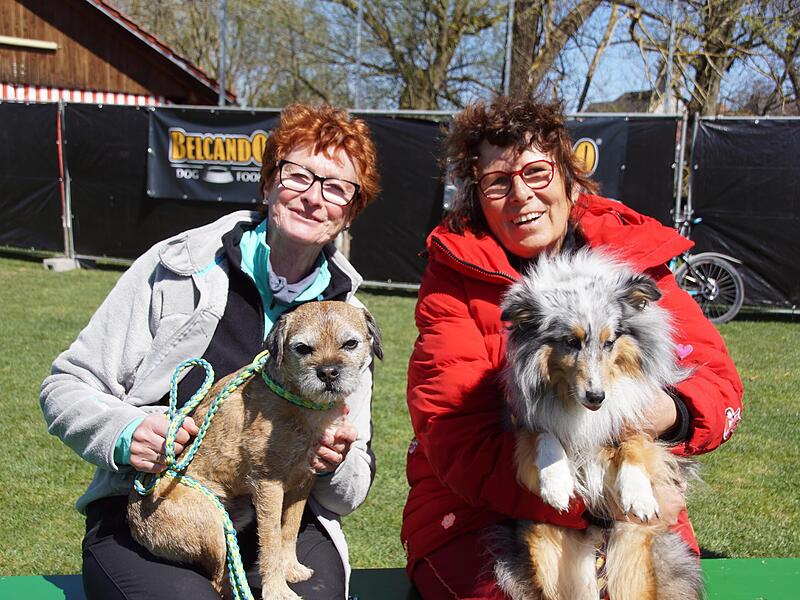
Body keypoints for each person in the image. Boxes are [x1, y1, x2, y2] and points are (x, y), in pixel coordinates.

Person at [402, 96, 743, 598]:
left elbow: (719, 384)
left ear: (568, 176)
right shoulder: (453, 279)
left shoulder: (634, 256)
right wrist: (595, 505)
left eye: (537, 173)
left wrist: (669, 411)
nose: (522, 195)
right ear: (477, 195)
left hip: (635, 489)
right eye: (499, 182)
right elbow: (455, 438)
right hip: (487, 504)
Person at [40, 103, 381, 600]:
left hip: (282, 515)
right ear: (267, 184)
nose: (313, 197)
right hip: (161, 501)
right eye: (298, 176)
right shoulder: (175, 267)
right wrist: (125, 431)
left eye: (335, 187)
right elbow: (65, 385)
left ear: (349, 210)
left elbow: (352, 488)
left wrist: (337, 460)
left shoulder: (351, 322)